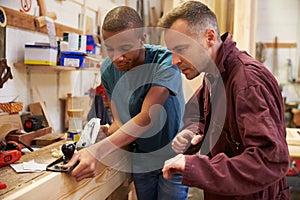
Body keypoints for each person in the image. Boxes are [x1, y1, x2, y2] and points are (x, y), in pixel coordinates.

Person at [158, 1, 290, 199]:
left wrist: (195, 167)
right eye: (171, 52)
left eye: (182, 49)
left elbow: (271, 159)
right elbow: (198, 115)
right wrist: (192, 133)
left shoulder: (247, 81)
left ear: (210, 37)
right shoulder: (213, 77)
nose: (174, 61)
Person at [63, 6, 189, 200]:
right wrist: (104, 133)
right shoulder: (108, 69)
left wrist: (97, 151)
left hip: (173, 154)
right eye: (110, 49)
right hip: (141, 157)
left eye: (125, 48)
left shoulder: (165, 61)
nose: (117, 58)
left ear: (142, 39)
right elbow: (121, 121)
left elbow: (147, 117)